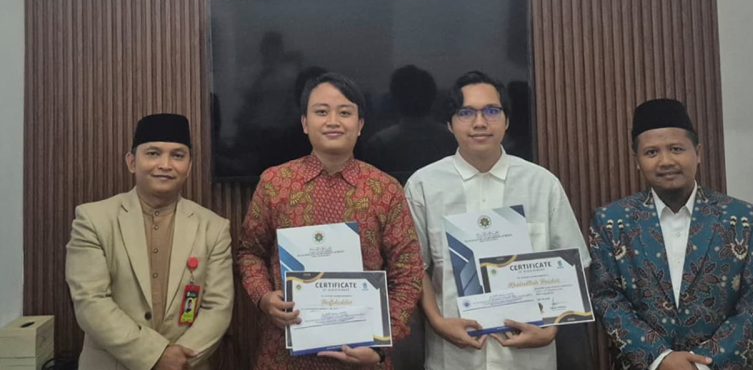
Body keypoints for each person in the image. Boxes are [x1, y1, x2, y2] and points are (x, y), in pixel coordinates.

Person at [404, 71, 591, 370]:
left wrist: (551, 331)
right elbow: (415, 267)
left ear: (507, 120)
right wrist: (438, 322)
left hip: (528, 358)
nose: (480, 122)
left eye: (491, 111)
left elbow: (572, 264)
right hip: (454, 357)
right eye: (466, 112)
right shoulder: (423, 186)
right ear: (449, 123)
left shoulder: (542, 184)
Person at [237, 72, 424, 369]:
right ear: (304, 123)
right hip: (284, 355)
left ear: (360, 125)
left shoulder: (385, 190)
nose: (333, 121)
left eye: (345, 113)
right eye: (322, 112)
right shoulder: (275, 183)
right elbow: (250, 252)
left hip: (363, 356)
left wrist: (378, 347)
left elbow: (408, 272)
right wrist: (264, 298)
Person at [589, 99, 753, 370]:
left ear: (698, 153)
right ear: (637, 161)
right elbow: (606, 298)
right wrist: (661, 358)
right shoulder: (610, 222)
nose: (666, 161)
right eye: (651, 152)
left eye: (676, 149)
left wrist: (702, 364)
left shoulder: (744, 218)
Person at [65, 113, 234, 370]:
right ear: (132, 162)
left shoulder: (214, 227)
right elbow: (91, 302)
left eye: (178, 155)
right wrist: (155, 357)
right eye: (153, 153)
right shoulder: (93, 219)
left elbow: (217, 307)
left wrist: (178, 361)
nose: (165, 164)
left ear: (189, 166)